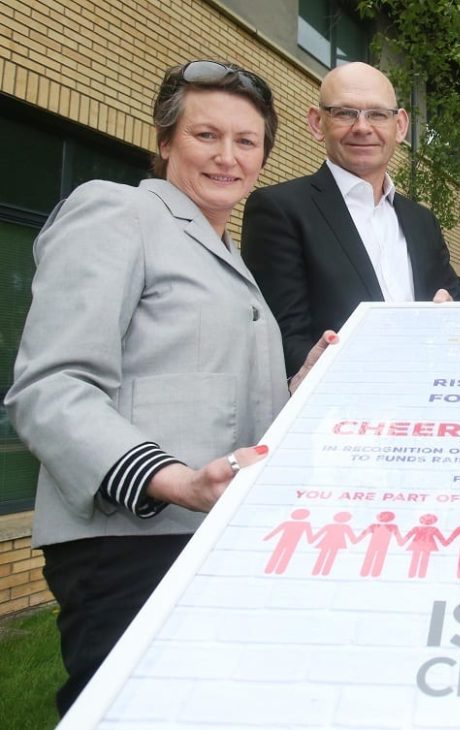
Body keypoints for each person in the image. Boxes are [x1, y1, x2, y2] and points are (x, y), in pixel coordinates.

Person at [4, 60, 333, 714]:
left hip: (210, 538)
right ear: (164, 142)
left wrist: (301, 389)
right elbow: (50, 387)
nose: (227, 157)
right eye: (205, 135)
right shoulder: (118, 211)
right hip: (127, 547)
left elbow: (213, 399)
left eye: (247, 142)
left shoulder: (228, 257)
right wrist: (171, 479)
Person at [242, 62, 460, 376]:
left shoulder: (422, 221)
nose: (362, 127)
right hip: (337, 412)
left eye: (377, 114)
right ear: (317, 123)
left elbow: (456, 303)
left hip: (426, 406)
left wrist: (453, 315)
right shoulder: (279, 209)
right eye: (345, 113)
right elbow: (282, 338)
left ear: (400, 126)